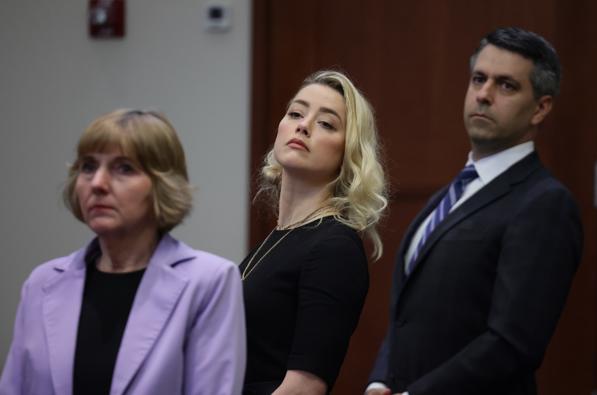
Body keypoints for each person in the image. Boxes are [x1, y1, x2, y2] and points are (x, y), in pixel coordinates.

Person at [366, 27, 583, 395]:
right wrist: (380, 381)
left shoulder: (545, 203)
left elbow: (512, 345)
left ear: (541, 108)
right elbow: (406, 318)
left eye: (506, 86)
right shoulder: (447, 196)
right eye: (478, 79)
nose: (483, 95)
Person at [0, 109, 246, 395]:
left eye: (124, 168)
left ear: (161, 185)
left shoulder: (209, 282)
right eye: (88, 166)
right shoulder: (41, 284)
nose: (98, 184)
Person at [240, 70, 388, 395]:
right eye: (295, 113)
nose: (303, 125)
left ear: (348, 153)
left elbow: (305, 387)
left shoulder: (334, 247)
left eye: (326, 124)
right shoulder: (280, 237)